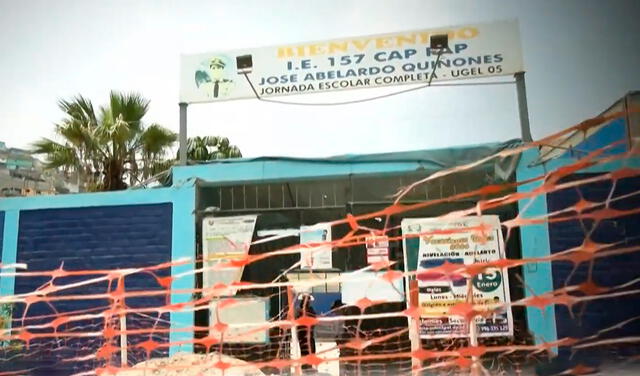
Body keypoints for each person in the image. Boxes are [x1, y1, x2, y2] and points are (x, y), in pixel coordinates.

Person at [296, 293, 317, 372]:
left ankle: (309, 365)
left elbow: (314, 319)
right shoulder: (299, 309)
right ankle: (305, 366)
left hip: (309, 333)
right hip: (302, 333)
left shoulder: (310, 309)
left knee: (311, 349)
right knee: (305, 349)